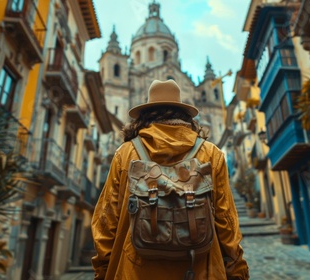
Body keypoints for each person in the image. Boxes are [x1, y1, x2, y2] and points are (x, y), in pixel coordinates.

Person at [91, 79, 249, 279]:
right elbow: (226, 221)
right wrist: (237, 269)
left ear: (145, 115)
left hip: (135, 271)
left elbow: (106, 220)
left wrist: (103, 269)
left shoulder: (126, 153)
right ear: (184, 114)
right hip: (200, 270)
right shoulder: (211, 154)